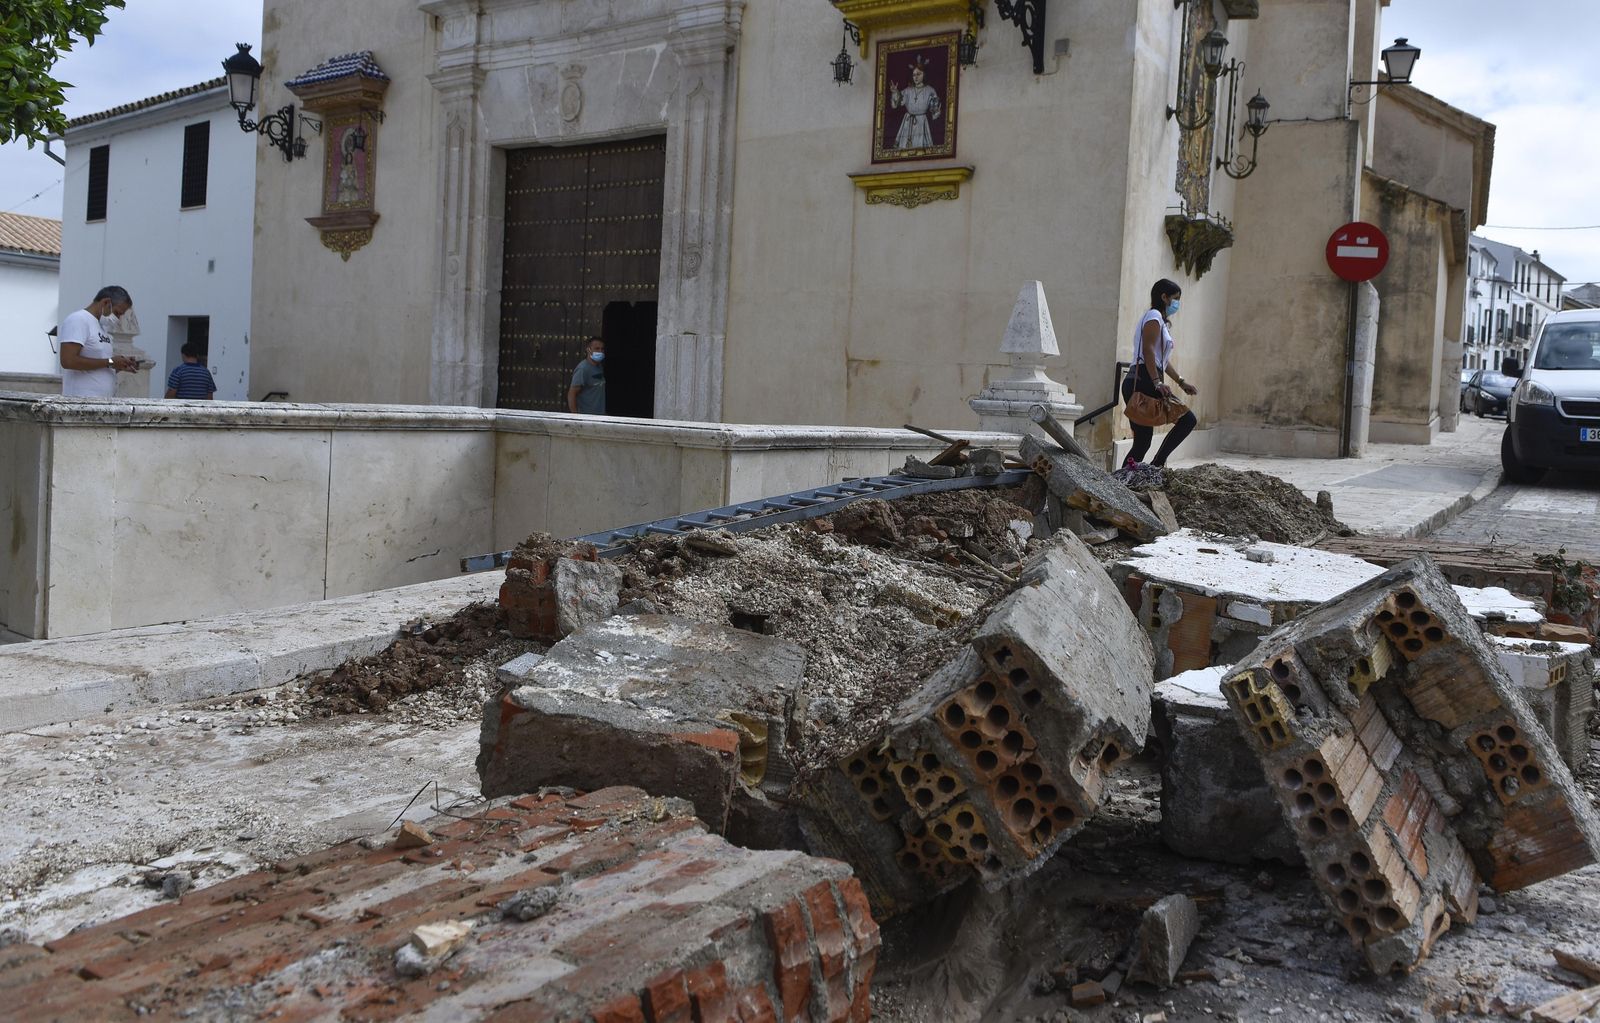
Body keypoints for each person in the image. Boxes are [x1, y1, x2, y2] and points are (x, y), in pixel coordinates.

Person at [1122, 278, 1199, 469]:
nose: (1177, 303)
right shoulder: (1153, 316)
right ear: (1163, 297)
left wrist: (1181, 382)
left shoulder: (1160, 322)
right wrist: (1157, 382)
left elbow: (1161, 361)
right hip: (1144, 381)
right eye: (1175, 298)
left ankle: (1121, 481)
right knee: (1188, 420)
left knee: (1142, 443)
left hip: (1145, 378)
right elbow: (1148, 350)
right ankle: (1157, 464)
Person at [59, 286, 136, 398]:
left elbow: (100, 363)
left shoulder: (102, 328)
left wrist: (118, 365)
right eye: (117, 313)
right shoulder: (79, 320)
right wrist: (110, 362)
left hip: (102, 401)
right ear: (106, 302)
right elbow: (68, 361)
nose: (118, 318)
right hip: (80, 400)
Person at [890, 57, 942, 150]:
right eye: (914, 75)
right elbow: (896, 103)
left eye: (918, 74)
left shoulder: (930, 90)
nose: (916, 77)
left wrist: (936, 110)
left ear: (924, 74)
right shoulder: (908, 91)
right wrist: (895, 92)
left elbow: (935, 110)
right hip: (907, 123)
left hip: (921, 123)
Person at [567, 336, 606, 414]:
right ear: (588, 350)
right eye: (597, 349)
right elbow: (572, 393)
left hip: (599, 415)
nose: (600, 352)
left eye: (602, 349)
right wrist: (576, 417)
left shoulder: (599, 366)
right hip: (587, 417)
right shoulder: (583, 369)